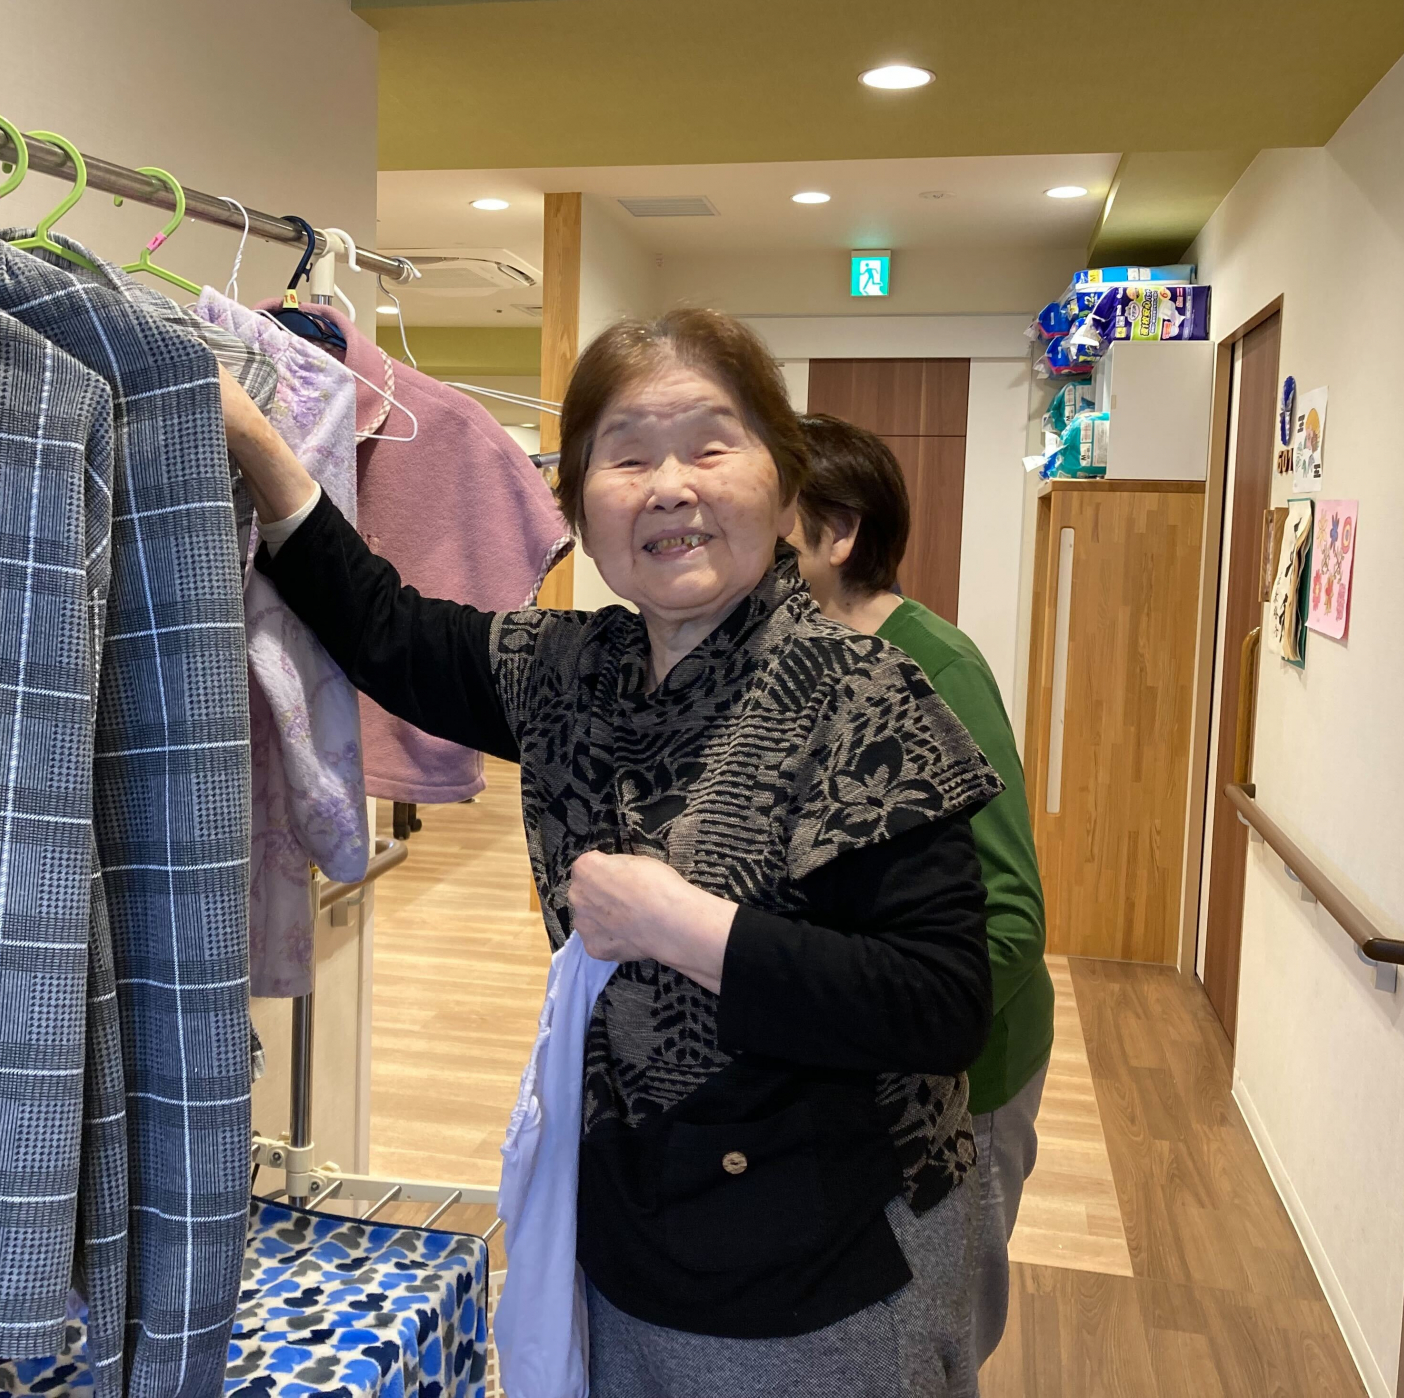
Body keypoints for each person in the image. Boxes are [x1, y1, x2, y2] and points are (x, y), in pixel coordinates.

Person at [222, 309, 1003, 1396]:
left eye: (710, 445)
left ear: (785, 489)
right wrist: (256, 443)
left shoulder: (865, 696)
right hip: (630, 1232)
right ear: (582, 512)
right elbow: (384, 630)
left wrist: (689, 929)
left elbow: (944, 1003)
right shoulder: (570, 671)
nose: (669, 486)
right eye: (626, 457)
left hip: (826, 1268)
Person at [788, 413, 1054, 1369]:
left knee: (939, 1336)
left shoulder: (933, 666)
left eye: (768, 518)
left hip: (970, 1074)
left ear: (837, 534)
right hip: (873, 1071)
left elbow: (1011, 917)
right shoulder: (806, 660)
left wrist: (890, 1019)